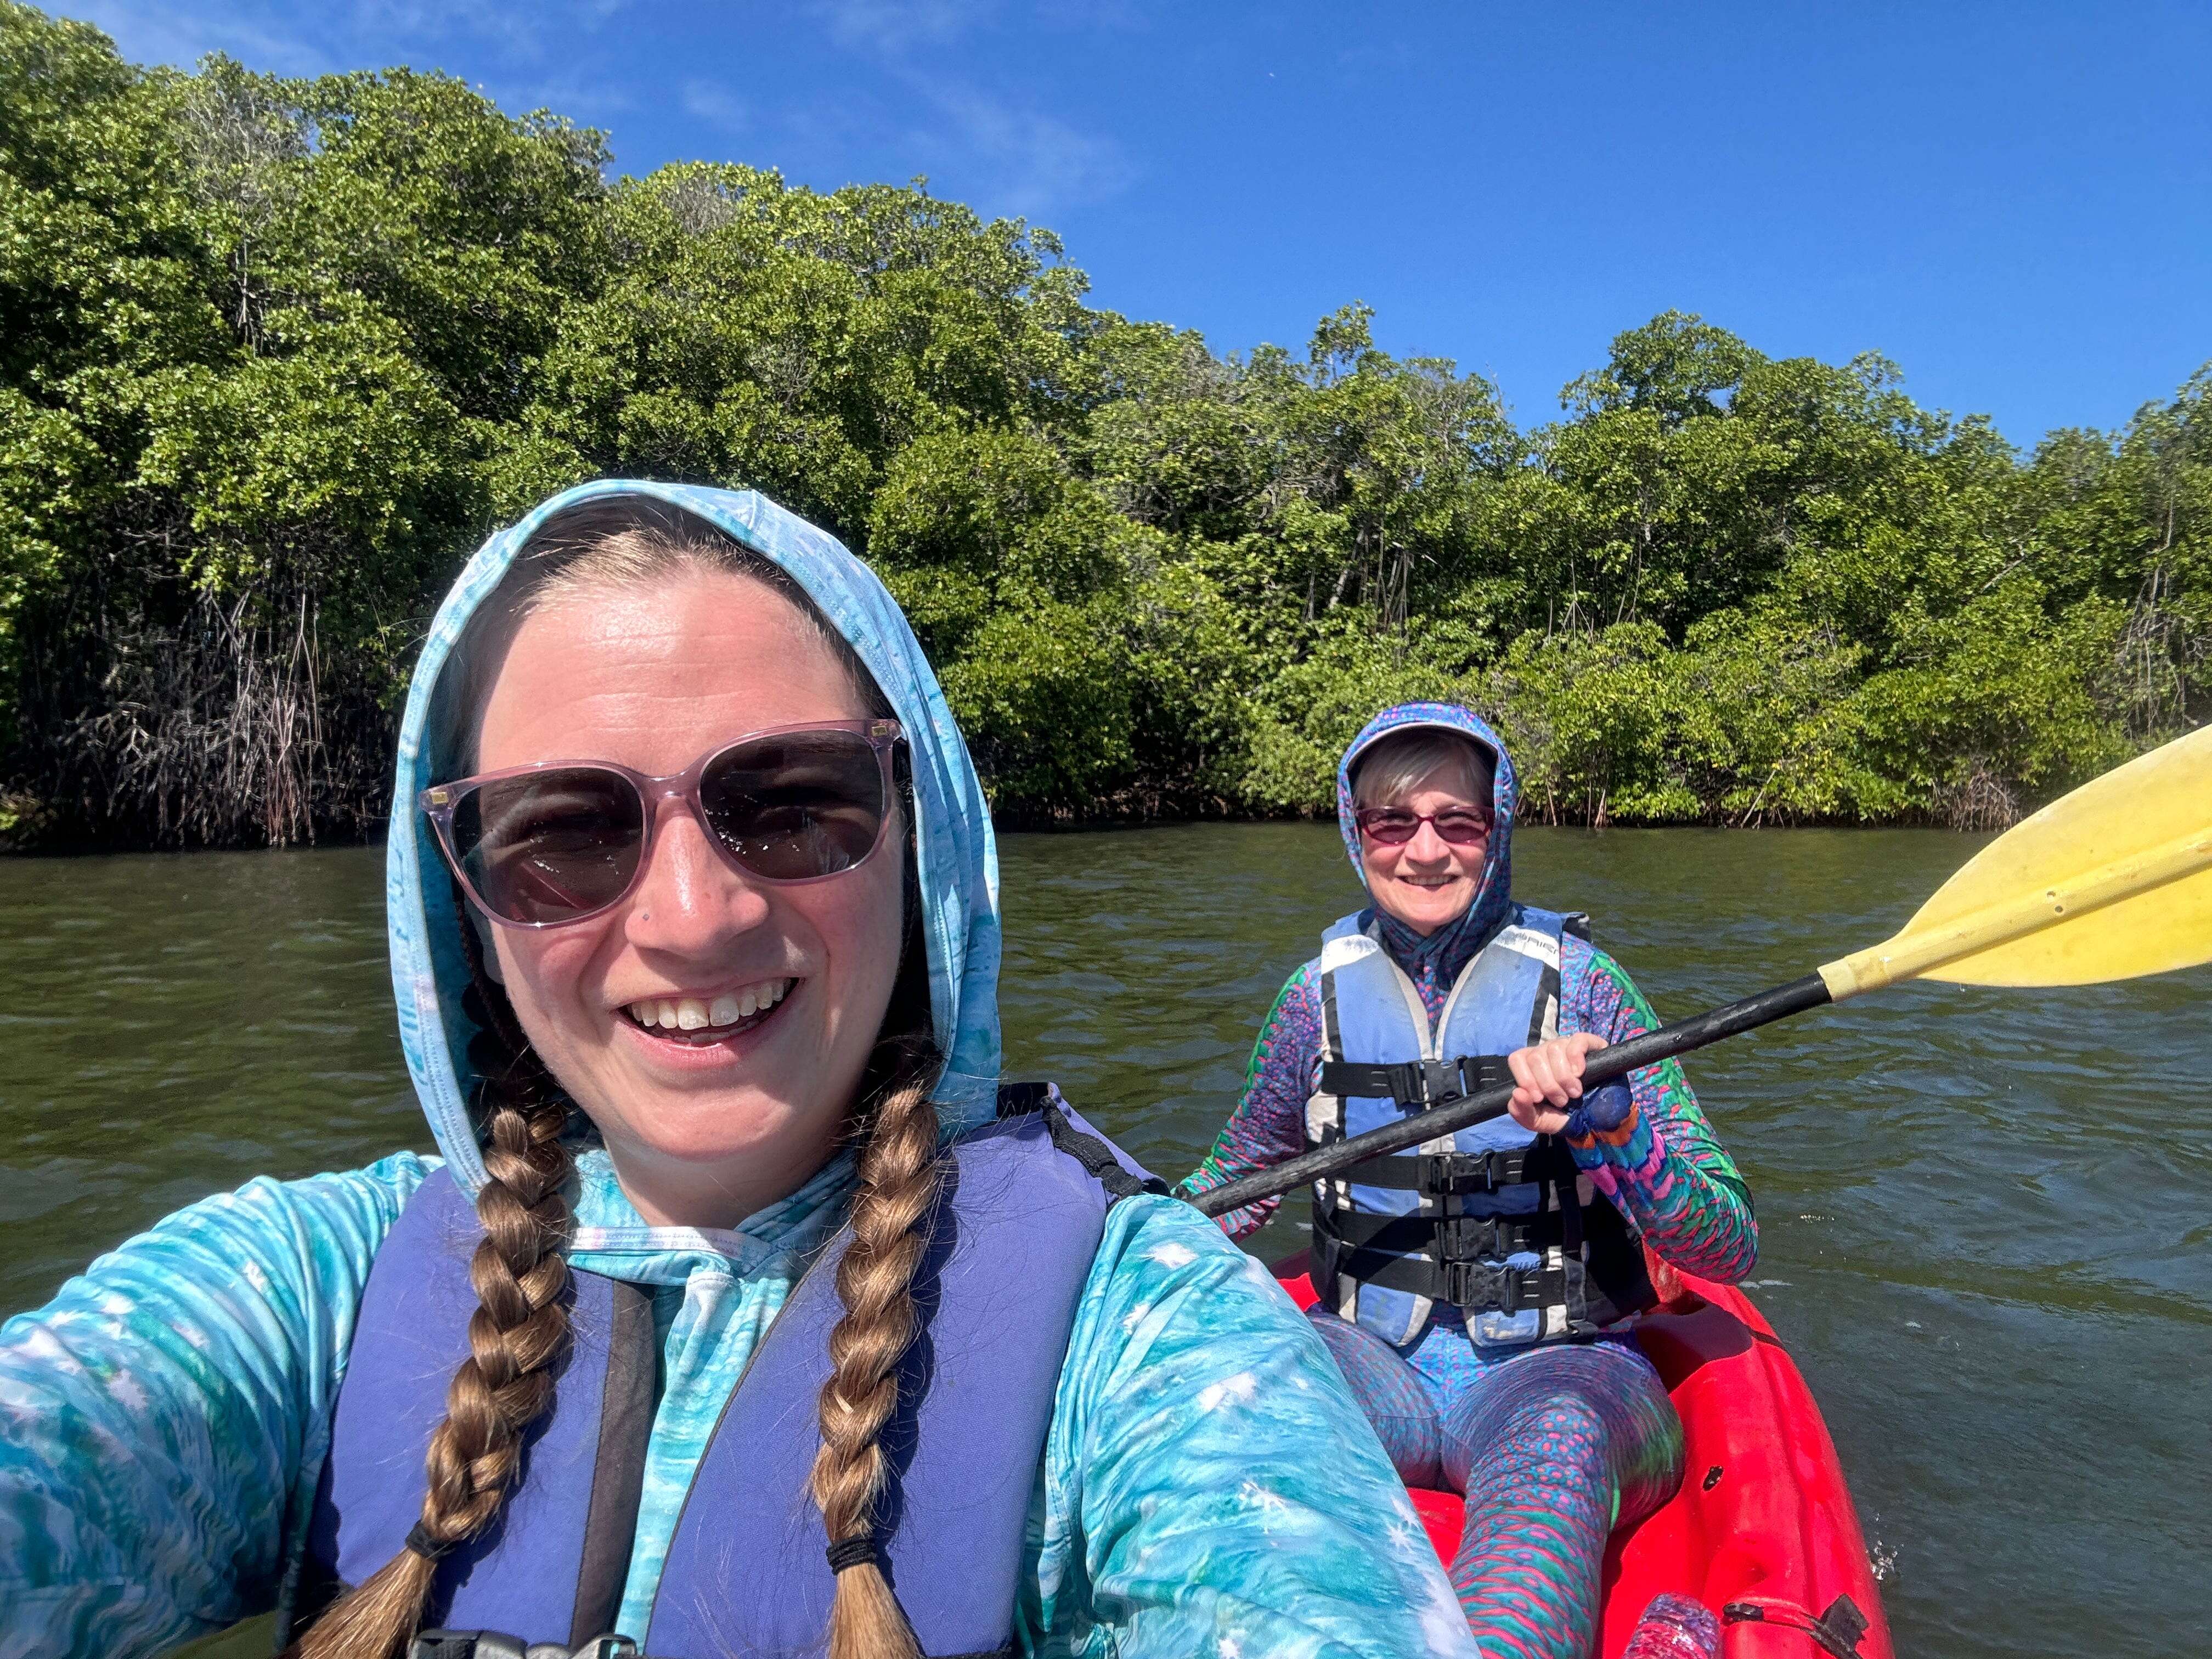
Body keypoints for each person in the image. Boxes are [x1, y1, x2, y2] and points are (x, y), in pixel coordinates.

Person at [0, 487, 1480, 1659]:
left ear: (922, 841)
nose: (693, 918)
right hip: (1376, 1325)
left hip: (1535, 1346)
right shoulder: (295, 1297)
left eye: (793, 803)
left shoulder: (1141, 1332)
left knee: (1559, 1434)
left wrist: (1592, 1107)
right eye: (564, 831)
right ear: (459, 901)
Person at [1180, 703, 1758, 1659]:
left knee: (1557, 1450)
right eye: (1392, 824)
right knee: (1241, 1415)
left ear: (1501, 829)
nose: (1425, 852)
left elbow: (1726, 1241)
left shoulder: (1588, 986)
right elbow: (1240, 1180)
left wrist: (1614, 1126)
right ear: (1352, 831)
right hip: (1369, 1363)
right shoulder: (1307, 1002)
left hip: (1565, 1373)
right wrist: (1123, 1226)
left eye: (1459, 822)